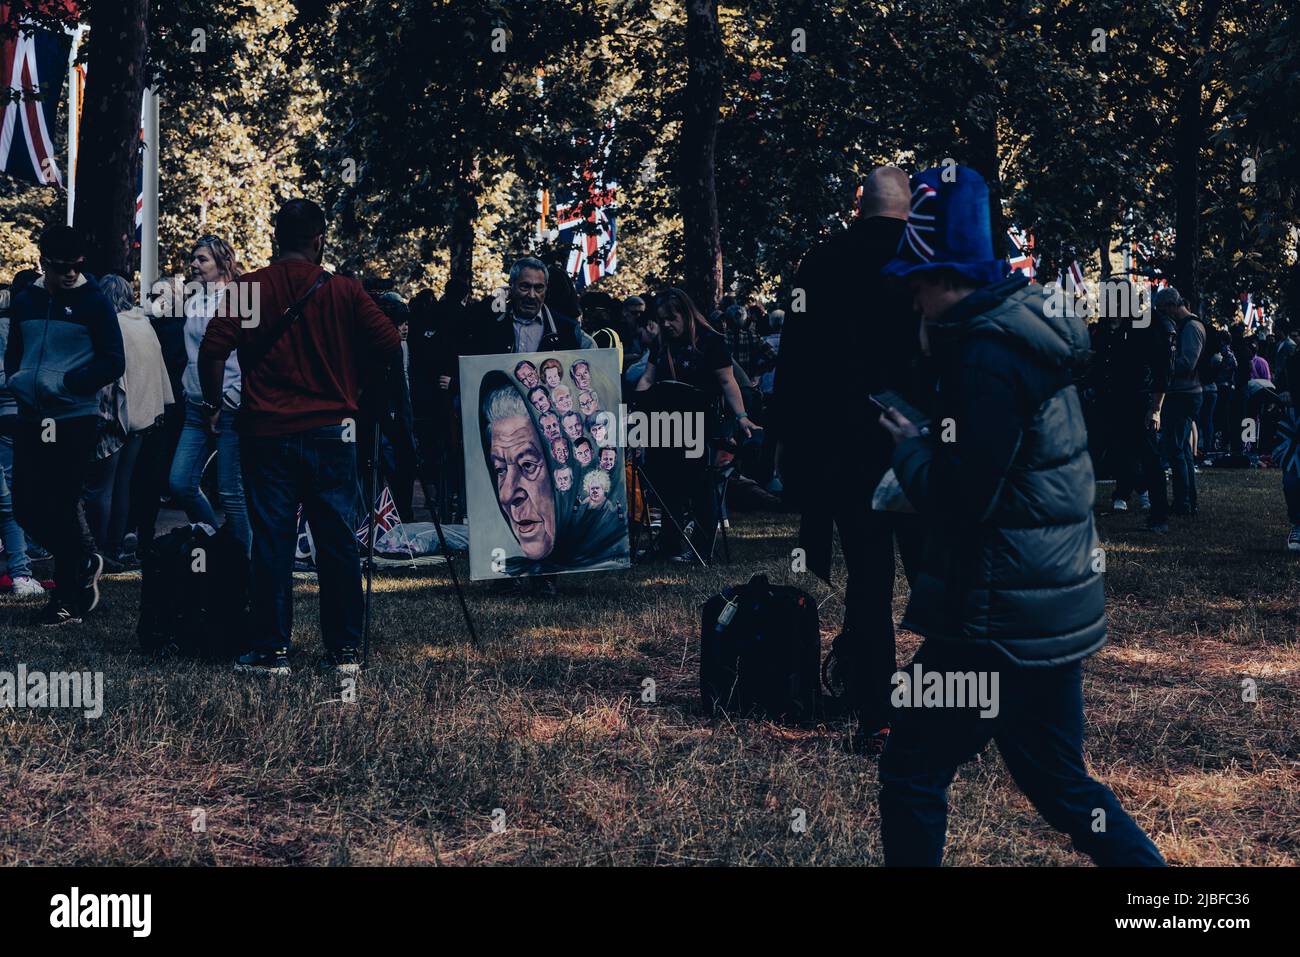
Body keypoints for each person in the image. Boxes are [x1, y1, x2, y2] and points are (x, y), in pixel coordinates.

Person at [874, 165, 1164, 867]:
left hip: (999, 618)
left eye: (917, 277)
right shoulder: (1012, 332)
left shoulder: (985, 354)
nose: (911, 293)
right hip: (1040, 611)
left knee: (911, 768)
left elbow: (965, 494)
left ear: (946, 274)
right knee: (1063, 784)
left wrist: (907, 451)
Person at [198, 199, 401, 676]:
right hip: (334, 430)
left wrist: (212, 406)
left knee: (272, 539)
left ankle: (272, 650)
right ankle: (345, 652)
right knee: (337, 541)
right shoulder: (345, 291)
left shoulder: (249, 289)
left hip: (267, 431)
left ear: (275, 238)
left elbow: (212, 350)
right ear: (319, 239)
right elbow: (390, 343)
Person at [774, 166, 924, 754]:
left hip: (845, 448)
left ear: (860, 204)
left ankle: (875, 715)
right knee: (935, 579)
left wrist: (789, 445)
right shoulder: (928, 259)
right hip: (916, 445)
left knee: (869, 581)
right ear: (908, 206)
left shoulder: (822, 261)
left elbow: (796, 360)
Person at [4, 226, 124, 625]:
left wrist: (69, 383)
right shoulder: (26, 301)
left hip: (73, 417)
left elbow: (113, 361)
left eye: (76, 267)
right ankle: (82, 560)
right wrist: (18, 381)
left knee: (60, 500)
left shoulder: (94, 303)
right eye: (61, 268)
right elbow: (15, 353)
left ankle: (67, 598)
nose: (70, 274)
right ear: (44, 263)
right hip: (32, 416)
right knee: (24, 503)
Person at [635, 286, 759, 562]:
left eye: (672, 318)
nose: (666, 324)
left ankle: (701, 547)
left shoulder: (711, 341)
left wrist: (741, 417)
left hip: (703, 425)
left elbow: (728, 382)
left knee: (701, 485)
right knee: (664, 482)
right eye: (662, 319)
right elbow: (648, 377)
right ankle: (669, 543)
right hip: (666, 424)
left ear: (686, 314)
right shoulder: (663, 343)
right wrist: (637, 408)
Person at [83, 275, 174, 566]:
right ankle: (114, 547)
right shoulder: (142, 324)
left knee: (102, 488)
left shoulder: (111, 325)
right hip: (143, 417)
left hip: (115, 416)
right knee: (123, 484)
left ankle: (97, 550)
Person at [170, 235, 251, 553]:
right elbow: (193, 352)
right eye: (193, 258)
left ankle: (246, 566)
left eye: (201, 259)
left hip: (230, 406)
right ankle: (217, 546)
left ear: (223, 262)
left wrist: (231, 396)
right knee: (180, 483)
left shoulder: (241, 299)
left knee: (231, 492)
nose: (193, 264)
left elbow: (254, 354)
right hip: (197, 405)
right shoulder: (194, 299)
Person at [1154, 286, 1205, 516]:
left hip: (1186, 394)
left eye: (1163, 310)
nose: (1162, 315)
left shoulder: (1192, 328)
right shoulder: (1185, 327)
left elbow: (1187, 362)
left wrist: (1164, 368)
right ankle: (1187, 500)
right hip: (1184, 393)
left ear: (1173, 306)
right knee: (1181, 449)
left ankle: (1184, 502)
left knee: (1176, 449)